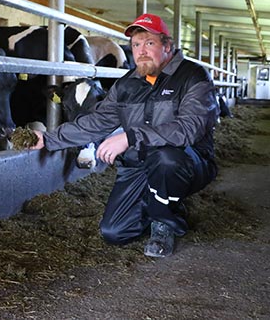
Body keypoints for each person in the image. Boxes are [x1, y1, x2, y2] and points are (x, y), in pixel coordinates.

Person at [30, 13, 219, 257]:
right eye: (136, 44)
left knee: (166, 159)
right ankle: (163, 203)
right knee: (114, 232)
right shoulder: (128, 84)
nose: (141, 51)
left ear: (168, 46)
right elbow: (97, 121)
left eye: (149, 43)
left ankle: (165, 222)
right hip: (140, 164)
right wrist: (49, 139)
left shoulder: (193, 77)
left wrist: (130, 137)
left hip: (187, 161)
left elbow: (189, 128)